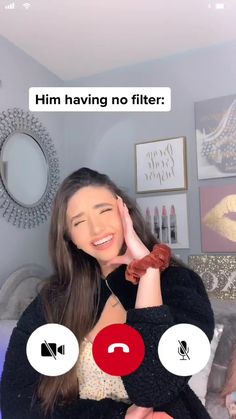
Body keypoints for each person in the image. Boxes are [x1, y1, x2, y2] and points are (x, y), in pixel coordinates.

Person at [1, 167, 215, 419]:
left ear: (126, 213)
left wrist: (148, 273)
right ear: (70, 238)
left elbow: (153, 388)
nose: (96, 229)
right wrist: (118, 416)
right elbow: (16, 401)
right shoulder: (54, 300)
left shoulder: (180, 285)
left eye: (104, 210)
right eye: (79, 222)